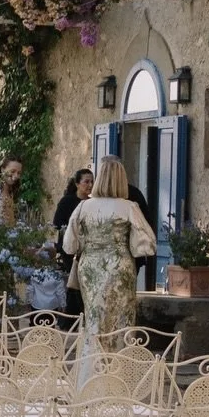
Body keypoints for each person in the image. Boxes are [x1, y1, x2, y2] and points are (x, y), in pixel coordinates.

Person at [60, 157, 157, 382]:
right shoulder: (129, 207)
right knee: (121, 320)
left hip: (90, 266)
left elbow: (69, 244)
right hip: (120, 266)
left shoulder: (83, 206)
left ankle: (88, 378)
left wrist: (90, 242)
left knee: (94, 318)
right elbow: (148, 244)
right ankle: (120, 378)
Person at [51, 167, 95, 319]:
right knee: (74, 283)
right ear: (77, 184)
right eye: (86, 182)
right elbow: (57, 224)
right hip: (69, 250)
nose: (89, 185)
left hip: (87, 250)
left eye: (92, 182)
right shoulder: (67, 202)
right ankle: (70, 319)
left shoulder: (92, 203)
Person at [0, 156, 25, 225]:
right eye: (12, 171)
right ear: (2, 169)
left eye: (19, 173)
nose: (16, 176)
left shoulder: (13, 194)